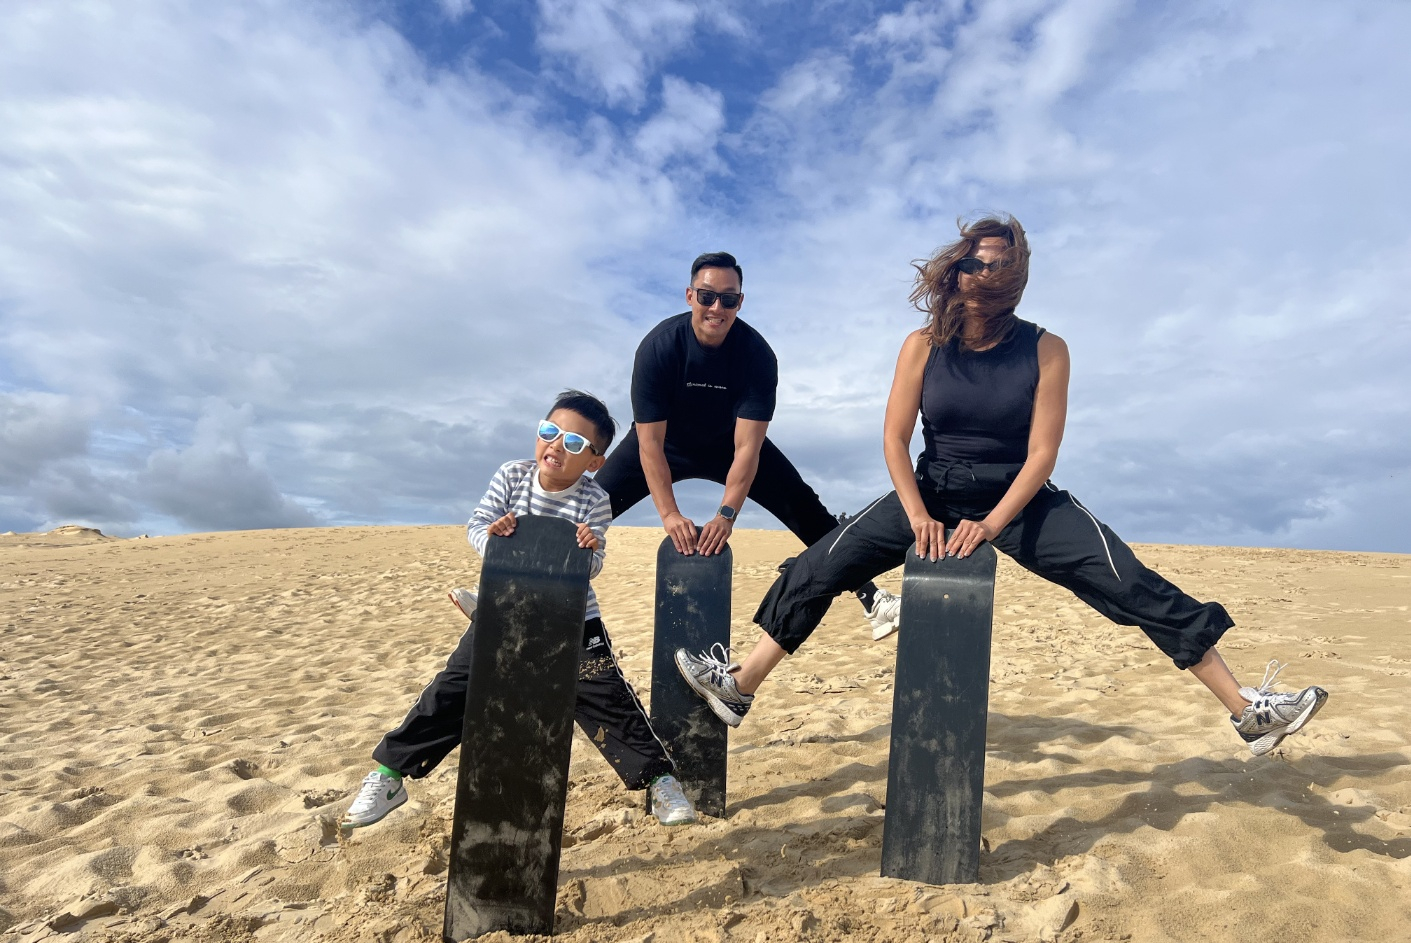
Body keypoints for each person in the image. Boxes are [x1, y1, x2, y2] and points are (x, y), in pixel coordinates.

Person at [673, 215, 1327, 756]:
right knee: (823, 562)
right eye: (977, 261)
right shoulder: (921, 344)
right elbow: (894, 441)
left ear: (1016, 277)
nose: (987, 272)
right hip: (929, 492)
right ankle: (740, 684)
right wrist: (918, 513)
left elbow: (1042, 453)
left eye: (1001, 264)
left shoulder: (1047, 349)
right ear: (955, 270)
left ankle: (1247, 710)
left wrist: (991, 523)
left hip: (1017, 498)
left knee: (1124, 579)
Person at [343, 390, 697, 829]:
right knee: (453, 689)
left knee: (607, 699)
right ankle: (389, 775)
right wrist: (494, 537)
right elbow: (476, 526)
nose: (555, 446)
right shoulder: (511, 476)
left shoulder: (594, 500)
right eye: (550, 432)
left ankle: (660, 781)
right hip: (504, 610)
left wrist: (587, 550)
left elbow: (595, 564)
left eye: (572, 443)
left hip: (572, 618)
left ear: (593, 461)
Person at [593, 251, 903, 641]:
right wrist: (670, 514)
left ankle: (874, 598)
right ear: (690, 296)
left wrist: (726, 515)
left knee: (806, 509)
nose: (717, 307)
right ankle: (545, 584)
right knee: (589, 506)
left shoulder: (756, 355)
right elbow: (649, 442)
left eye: (729, 298)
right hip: (664, 445)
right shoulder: (659, 348)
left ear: (741, 302)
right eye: (707, 296)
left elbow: (747, 449)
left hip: (731, 447)